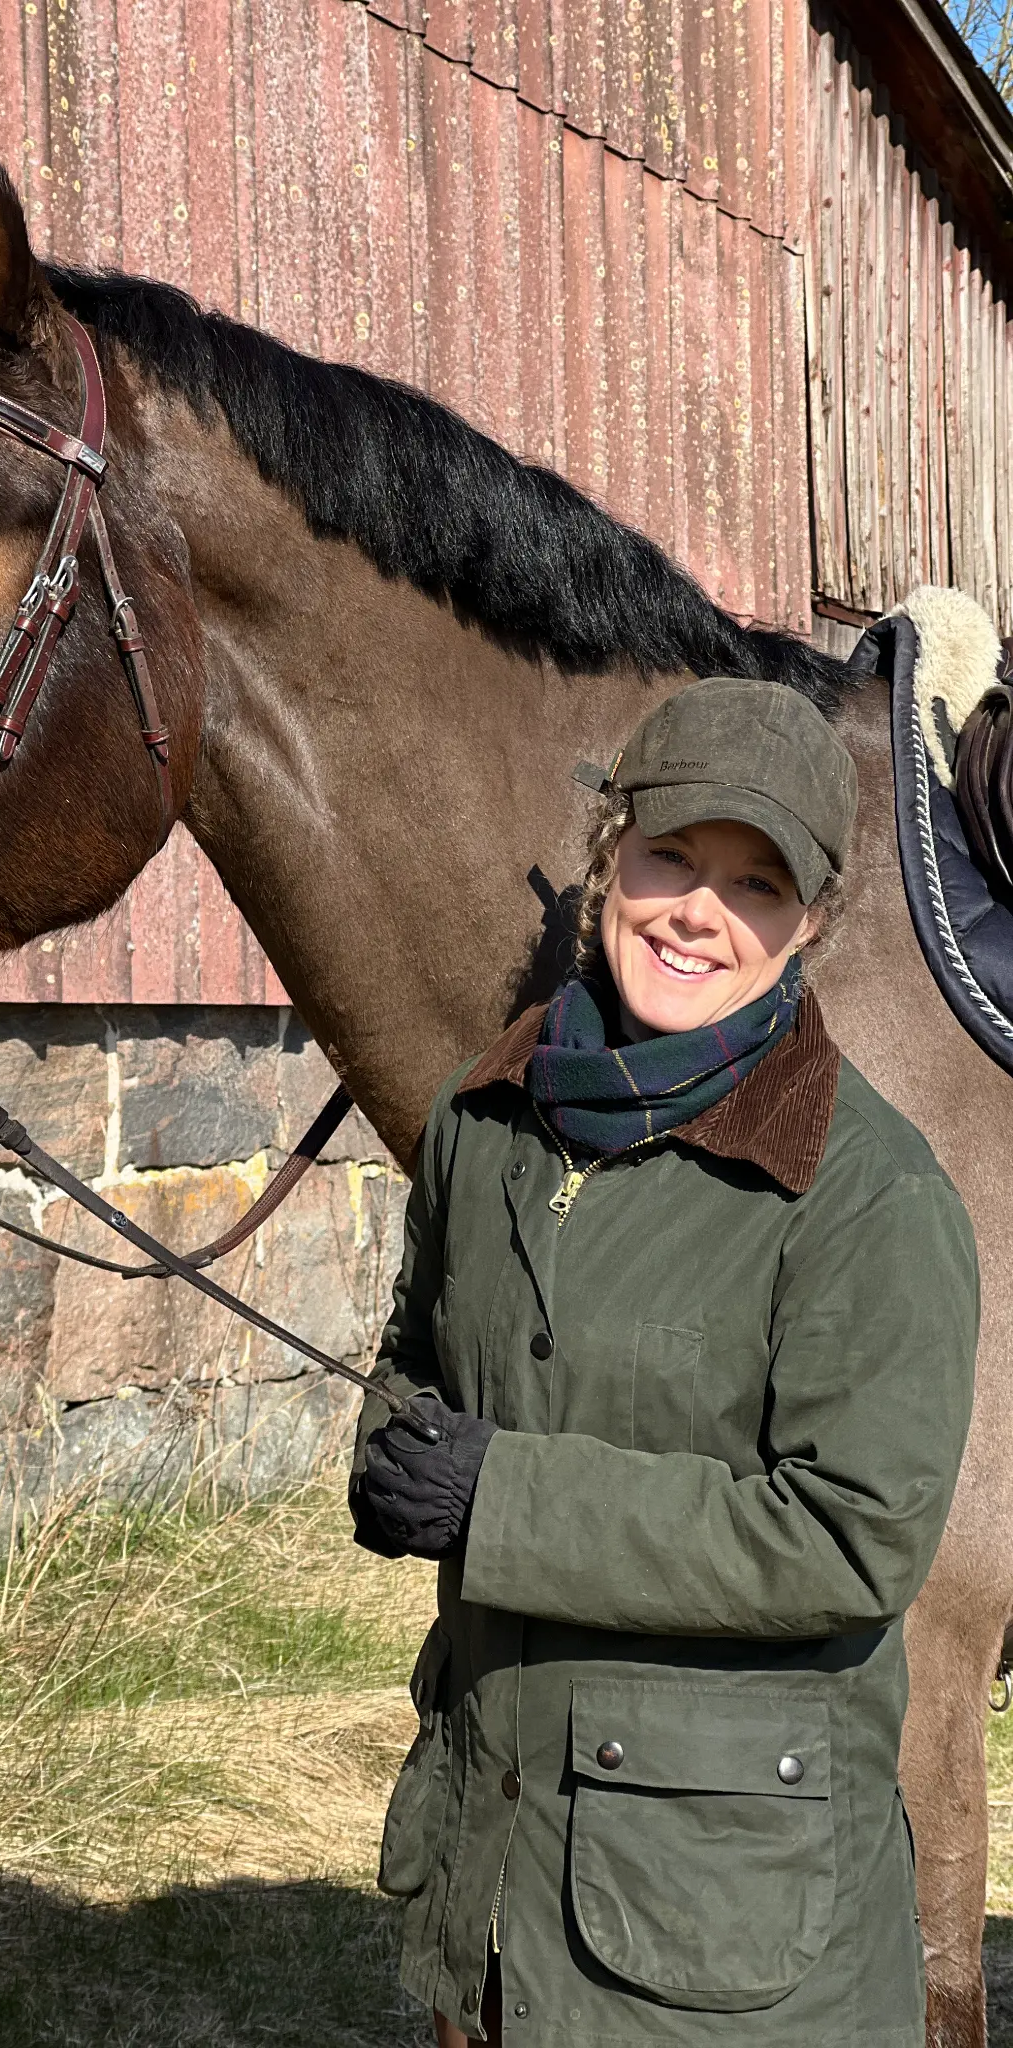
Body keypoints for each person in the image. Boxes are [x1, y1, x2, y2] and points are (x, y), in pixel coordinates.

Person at [350, 678, 979, 2045]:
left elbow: (848, 1538)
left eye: (758, 885)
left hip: (724, 1958)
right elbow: (423, 1351)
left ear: (810, 924)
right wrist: (391, 1457)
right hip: (496, 1887)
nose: (701, 910)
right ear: (607, 857)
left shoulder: (871, 1200)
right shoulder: (488, 1119)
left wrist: (498, 1502)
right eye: (674, 857)